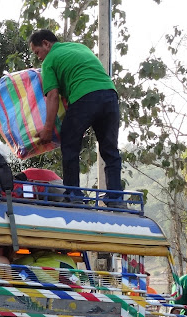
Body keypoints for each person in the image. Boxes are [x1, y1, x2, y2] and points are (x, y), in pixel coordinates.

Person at [28, 29, 123, 204]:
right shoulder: (80, 48)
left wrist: (48, 128)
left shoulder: (49, 61)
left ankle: (73, 195)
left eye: (37, 52)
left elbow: (53, 96)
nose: (39, 57)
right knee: (110, 150)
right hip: (110, 95)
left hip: (84, 96)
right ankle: (116, 197)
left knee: (70, 145)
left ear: (46, 44)